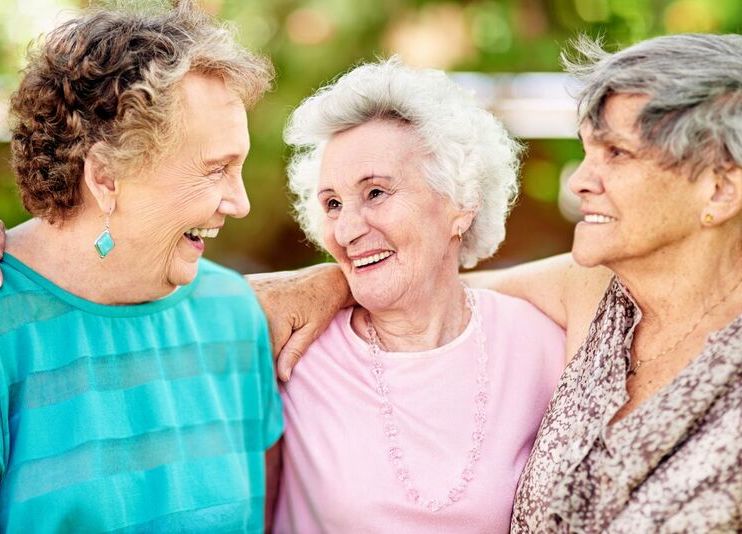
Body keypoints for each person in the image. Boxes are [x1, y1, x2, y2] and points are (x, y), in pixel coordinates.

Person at [256, 34, 742, 532]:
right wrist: (323, 284)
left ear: (722, 188)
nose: (577, 182)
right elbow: (434, 286)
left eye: (616, 153)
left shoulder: (553, 333)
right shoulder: (594, 295)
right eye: (332, 204)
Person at [0, 2, 282, 531]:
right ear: (105, 177)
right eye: (215, 169)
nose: (239, 203)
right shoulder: (8, 329)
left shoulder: (231, 315)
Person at [271, 58, 565, 533]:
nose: (346, 229)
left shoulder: (539, 344)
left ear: (460, 203)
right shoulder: (294, 353)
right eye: (332, 204)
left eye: (376, 193)